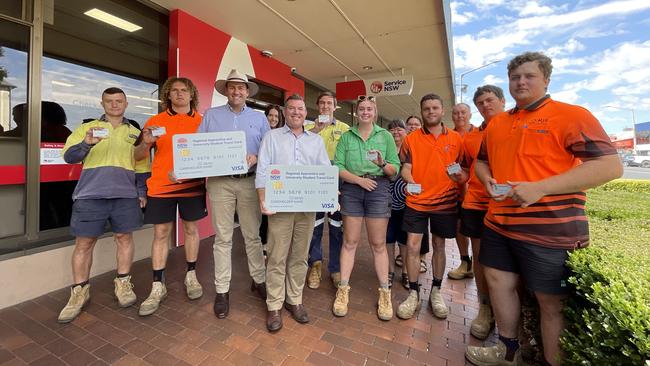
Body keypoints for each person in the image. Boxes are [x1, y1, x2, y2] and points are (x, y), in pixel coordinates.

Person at [465, 52, 622, 366]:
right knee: (498, 282)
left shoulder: (571, 115)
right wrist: (488, 181)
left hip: (551, 231)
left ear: (546, 79)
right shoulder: (498, 125)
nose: (521, 82)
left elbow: (610, 165)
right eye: (515, 77)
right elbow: (481, 161)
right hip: (499, 224)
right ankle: (508, 351)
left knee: (551, 304)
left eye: (529, 76)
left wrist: (541, 187)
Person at [57, 87, 143, 323]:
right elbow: (69, 157)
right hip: (90, 195)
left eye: (119, 101)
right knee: (84, 243)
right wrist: (87, 143)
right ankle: (79, 292)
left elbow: (142, 166)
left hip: (125, 196)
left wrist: (141, 192)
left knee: (124, 238)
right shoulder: (87, 129)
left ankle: (123, 284)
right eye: (109, 101)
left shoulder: (135, 133)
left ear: (126, 104)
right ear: (102, 103)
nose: (114, 105)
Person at [198, 69, 270, 319]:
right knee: (223, 238)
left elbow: (268, 150)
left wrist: (257, 156)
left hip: (250, 182)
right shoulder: (211, 115)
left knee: (252, 236)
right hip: (220, 183)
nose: (237, 91)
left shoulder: (260, 118)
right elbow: (199, 147)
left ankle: (259, 281)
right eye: (232, 87)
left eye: (241, 87)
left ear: (247, 92)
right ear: (226, 91)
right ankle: (222, 290)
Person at [256, 94, 331, 332]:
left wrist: (331, 196)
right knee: (277, 256)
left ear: (305, 113)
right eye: (291, 109)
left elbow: (325, 171)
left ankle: (294, 300)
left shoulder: (315, 141)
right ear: (285, 112)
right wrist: (262, 200)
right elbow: (262, 171)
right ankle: (274, 305)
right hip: (280, 207)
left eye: (300, 108)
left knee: (299, 256)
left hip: (306, 209)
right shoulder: (271, 137)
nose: (296, 112)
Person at [135, 77, 207, 316]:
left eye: (184, 90)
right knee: (161, 234)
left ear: (191, 94)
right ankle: (157, 286)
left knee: (191, 230)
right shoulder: (155, 122)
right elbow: (137, 156)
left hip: (192, 187)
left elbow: (210, 156)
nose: (179, 94)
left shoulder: (202, 122)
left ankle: (191, 276)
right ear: (168, 95)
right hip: (161, 187)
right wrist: (145, 145)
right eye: (174, 90)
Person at [396, 93, 467, 321]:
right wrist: (410, 179)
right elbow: (405, 168)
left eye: (435, 108)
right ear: (422, 110)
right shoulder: (411, 138)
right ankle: (414, 292)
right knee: (413, 246)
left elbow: (463, 172)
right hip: (416, 201)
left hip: (445, 202)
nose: (431, 112)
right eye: (426, 108)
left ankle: (436, 291)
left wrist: (458, 177)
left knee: (439, 245)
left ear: (442, 110)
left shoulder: (457, 139)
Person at [332, 95, 400, 321]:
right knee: (350, 242)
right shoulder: (346, 137)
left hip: (378, 189)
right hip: (352, 187)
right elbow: (338, 166)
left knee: (378, 244)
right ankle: (343, 290)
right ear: (356, 112)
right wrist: (358, 181)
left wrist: (382, 163)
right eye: (361, 108)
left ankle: (385, 293)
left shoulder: (386, 136)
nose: (365, 112)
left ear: (375, 111)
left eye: (369, 109)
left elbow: (394, 170)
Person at [459, 85, 506, 340]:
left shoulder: (516, 128)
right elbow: (467, 171)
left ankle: (509, 316)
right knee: (480, 259)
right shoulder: (470, 138)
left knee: (508, 266)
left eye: (490, 100)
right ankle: (485, 308)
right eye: (481, 103)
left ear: (501, 100)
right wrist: (459, 177)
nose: (485, 106)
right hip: (476, 203)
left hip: (509, 205)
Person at [304, 91, 350, 289]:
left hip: (338, 182)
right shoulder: (307, 127)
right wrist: (316, 129)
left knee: (336, 227)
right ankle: (315, 265)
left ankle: (336, 268)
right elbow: (299, 148)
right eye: (321, 103)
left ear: (335, 106)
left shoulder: (345, 129)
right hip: (313, 181)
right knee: (314, 226)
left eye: (329, 103)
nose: (325, 106)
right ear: (317, 105)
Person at [448, 103, 474, 280]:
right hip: (455, 191)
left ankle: (480, 265)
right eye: (456, 113)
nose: (459, 116)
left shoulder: (480, 133)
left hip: (477, 193)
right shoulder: (449, 136)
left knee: (477, 233)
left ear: (470, 114)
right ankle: (465, 262)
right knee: (459, 228)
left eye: (463, 112)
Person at [259, 104, 285, 257]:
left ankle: (273, 244)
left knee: (276, 214)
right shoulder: (261, 133)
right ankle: (263, 244)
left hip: (277, 180)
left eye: (276, 116)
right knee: (263, 214)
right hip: (263, 179)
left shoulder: (282, 135)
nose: (273, 119)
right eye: (271, 115)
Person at [385, 119, 408, 288]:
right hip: (386, 202)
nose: (395, 132)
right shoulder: (385, 149)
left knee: (405, 239)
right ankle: (390, 271)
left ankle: (406, 272)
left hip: (407, 203)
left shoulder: (411, 150)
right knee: (388, 238)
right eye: (392, 130)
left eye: (399, 129)